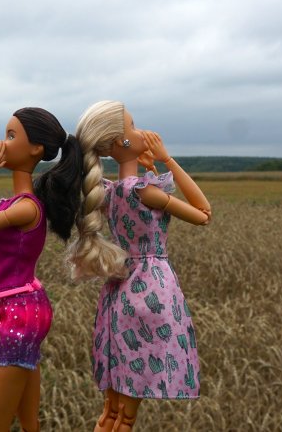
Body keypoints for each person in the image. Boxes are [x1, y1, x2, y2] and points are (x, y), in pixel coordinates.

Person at [70, 101, 212, 432]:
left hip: (117, 292)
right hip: (150, 291)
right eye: (133, 127)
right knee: (128, 416)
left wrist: (149, 167)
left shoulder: (108, 192)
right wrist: (167, 160)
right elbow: (204, 213)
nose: (141, 132)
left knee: (112, 412)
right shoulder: (144, 191)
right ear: (119, 142)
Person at [0, 107, 82, 432]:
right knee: (29, 423)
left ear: (36, 149)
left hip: (20, 314)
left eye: (11, 136)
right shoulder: (20, 204)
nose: (2, 144)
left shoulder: (24, 208)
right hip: (25, 307)